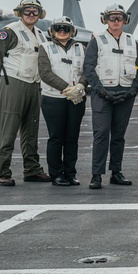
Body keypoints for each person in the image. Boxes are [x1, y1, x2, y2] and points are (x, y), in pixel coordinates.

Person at [0, 0, 51, 186]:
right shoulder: (9, 31)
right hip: (13, 83)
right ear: (20, 12)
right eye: (27, 10)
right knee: (8, 130)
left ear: (40, 14)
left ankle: (32, 169)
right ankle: (2, 172)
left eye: (35, 11)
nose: (31, 14)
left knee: (31, 130)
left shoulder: (41, 34)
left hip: (34, 85)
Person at [83, 4, 138, 189]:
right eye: (112, 17)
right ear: (105, 19)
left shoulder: (131, 41)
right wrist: (100, 90)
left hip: (125, 94)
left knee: (119, 135)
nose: (116, 21)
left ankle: (116, 172)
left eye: (120, 17)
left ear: (124, 20)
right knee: (101, 134)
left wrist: (133, 91)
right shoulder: (97, 40)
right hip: (102, 94)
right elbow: (89, 68)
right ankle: (96, 175)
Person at [38, 16, 87, 187]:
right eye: (58, 28)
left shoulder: (81, 48)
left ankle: (70, 173)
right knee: (56, 138)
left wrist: (80, 86)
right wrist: (67, 89)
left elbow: (88, 70)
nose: (61, 31)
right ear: (52, 31)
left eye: (66, 28)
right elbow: (45, 73)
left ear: (72, 31)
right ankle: (56, 174)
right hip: (53, 99)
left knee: (72, 138)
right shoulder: (45, 48)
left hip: (77, 99)